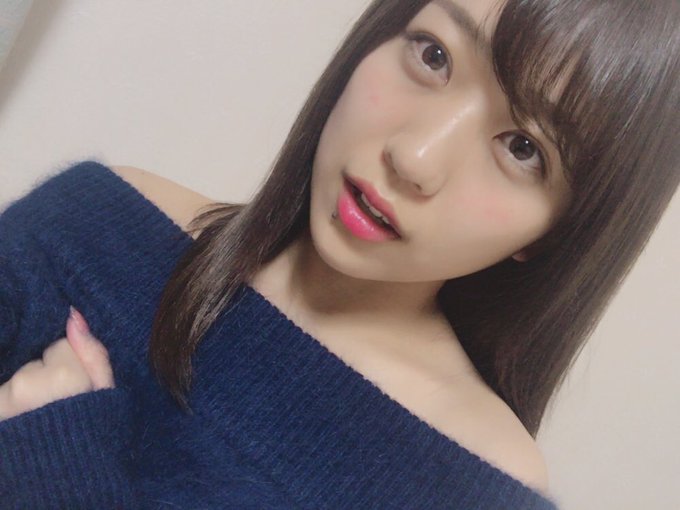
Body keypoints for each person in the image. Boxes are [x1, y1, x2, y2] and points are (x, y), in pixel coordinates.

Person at [0, 0, 678, 508]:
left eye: (522, 148)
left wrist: (57, 478)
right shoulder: (90, 228)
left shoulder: (476, 487)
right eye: (433, 56)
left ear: (554, 232)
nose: (414, 157)